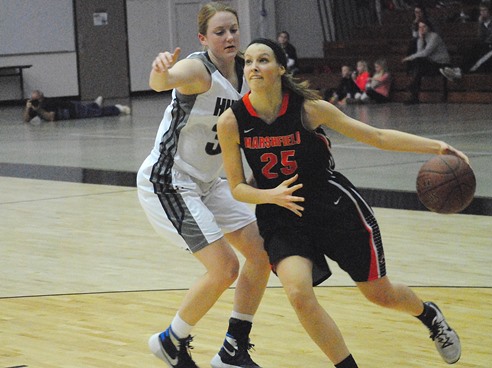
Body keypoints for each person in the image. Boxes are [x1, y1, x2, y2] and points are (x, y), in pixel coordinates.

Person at [217, 37, 465, 367]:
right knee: (298, 294)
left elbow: (375, 136)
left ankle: (428, 314)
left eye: (262, 60)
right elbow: (236, 187)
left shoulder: (308, 108)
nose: (253, 67)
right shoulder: (232, 121)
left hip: (332, 207)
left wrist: (436, 147)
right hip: (282, 217)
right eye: (248, 62)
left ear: (279, 68)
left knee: (380, 294)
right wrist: (269, 195)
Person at [136, 3, 270, 368]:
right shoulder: (198, 68)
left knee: (261, 251)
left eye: (233, 30)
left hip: (209, 182)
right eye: (219, 32)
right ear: (203, 38)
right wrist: (160, 70)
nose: (229, 38)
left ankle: (233, 347)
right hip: (169, 180)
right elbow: (161, 83)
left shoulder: (247, 71)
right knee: (225, 267)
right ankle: (170, 340)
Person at [440, 1, 492, 80]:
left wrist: (484, 42)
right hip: (485, 44)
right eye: (481, 11)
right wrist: (480, 24)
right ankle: (459, 69)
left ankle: (462, 71)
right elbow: (480, 37)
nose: (482, 13)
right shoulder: (482, 22)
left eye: (484, 10)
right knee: (471, 48)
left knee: (480, 55)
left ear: (489, 11)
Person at [402, 20, 451, 104]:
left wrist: (409, 58)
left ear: (428, 28)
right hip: (430, 63)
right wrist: (420, 39)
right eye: (420, 27)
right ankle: (414, 94)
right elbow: (419, 52)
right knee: (418, 66)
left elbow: (425, 53)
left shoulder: (434, 37)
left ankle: (413, 90)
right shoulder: (421, 38)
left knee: (417, 63)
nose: (421, 29)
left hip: (441, 64)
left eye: (424, 27)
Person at [23, 90, 130, 123]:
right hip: (70, 112)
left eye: (37, 100)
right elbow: (26, 120)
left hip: (73, 109)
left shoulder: (49, 103)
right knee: (90, 109)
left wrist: (39, 110)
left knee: (95, 113)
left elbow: (50, 118)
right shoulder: (34, 106)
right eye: (33, 100)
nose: (35, 102)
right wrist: (28, 108)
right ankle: (95, 104)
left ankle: (117, 108)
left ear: (42, 97)